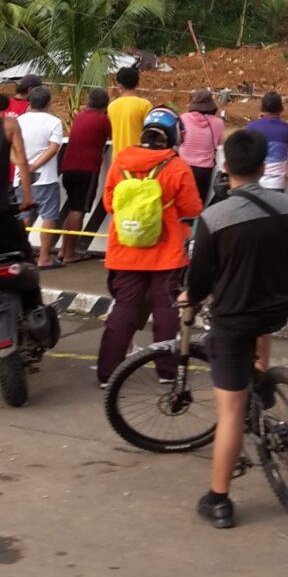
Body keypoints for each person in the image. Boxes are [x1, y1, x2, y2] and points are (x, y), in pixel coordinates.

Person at [184, 128, 288, 529]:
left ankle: (219, 499)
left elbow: (198, 280)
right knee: (259, 327)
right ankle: (263, 385)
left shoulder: (214, 217)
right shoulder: (287, 208)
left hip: (235, 317)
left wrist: (190, 298)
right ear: (264, 165)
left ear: (224, 165)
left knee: (229, 413)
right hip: (279, 307)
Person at [96, 107, 202, 388]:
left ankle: (108, 373)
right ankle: (167, 371)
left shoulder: (121, 161)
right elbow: (193, 207)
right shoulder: (176, 166)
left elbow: (109, 204)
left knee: (123, 310)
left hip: (124, 249)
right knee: (165, 311)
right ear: (173, 136)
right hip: (165, 252)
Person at [14, 86, 64, 270]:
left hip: (21, 178)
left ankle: (19, 256)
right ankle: (44, 258)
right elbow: (53, 148)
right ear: (49, 102)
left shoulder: (18, 121)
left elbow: (11, 147)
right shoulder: (53, 122)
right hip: (46, 178)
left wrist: (23, 165)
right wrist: (34, 165)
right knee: (49, 217)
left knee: (24, 217)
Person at [60, 87, 112, 264]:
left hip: (68, 167)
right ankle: (70, 254)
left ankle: (63, 251)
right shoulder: (102, 120)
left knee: (72, 208)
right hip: (86, 169)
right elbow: (112, 135)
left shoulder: (80, 117)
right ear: (105, 105)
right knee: (78, 211)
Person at [0, 103, 36, 256]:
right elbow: (21, 161)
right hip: (1, 210)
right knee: (23, 255)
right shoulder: (9, 125)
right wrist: (27, 198)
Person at [179, 89, 225, 205]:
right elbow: (220, 144)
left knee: (182, 202)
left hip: (183, 167)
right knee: (199, 204)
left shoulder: (183, 118)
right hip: (204, 170)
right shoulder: (218, 123)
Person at [246, 91, 288, 190]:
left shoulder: (250, 128)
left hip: (255, 184)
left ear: (261, 108)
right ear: (281, 109)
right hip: (277, 185)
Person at [107, 66, 151, 158]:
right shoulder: (145, 105)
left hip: (118, 160)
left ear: (119, 85)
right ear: (137, 83)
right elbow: (150, 133)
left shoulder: (111, 107)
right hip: (138, 159)